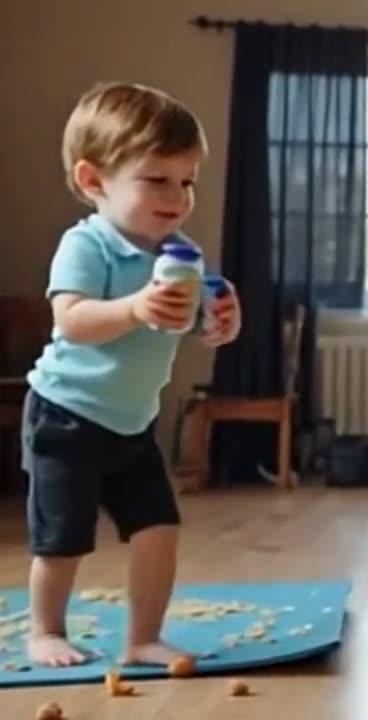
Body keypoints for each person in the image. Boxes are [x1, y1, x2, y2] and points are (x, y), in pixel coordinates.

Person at [22, 82, 242, 667]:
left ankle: (143, 637)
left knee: (159, 529)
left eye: (187, 180)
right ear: (95, 181)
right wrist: (134, 308)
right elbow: (70, 320)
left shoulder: (181, 253)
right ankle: (45, 630)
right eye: (157, 179)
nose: (178, 195)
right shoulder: (86, 245)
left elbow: (196, 316)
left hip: (132, 423)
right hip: (66, 415)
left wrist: (220, 318)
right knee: (62, 538)